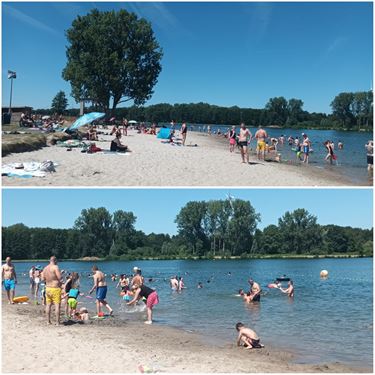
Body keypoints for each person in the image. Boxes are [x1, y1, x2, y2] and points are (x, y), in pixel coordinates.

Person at [41, 256, 62, 325]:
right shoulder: (56, 267)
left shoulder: (45, 268)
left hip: (48, 288)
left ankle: (48, 321)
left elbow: (42, 279)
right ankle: (57, 322)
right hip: (55, 288)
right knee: (57, 305)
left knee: (48, 305)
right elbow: (59, 277)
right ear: (55, 260)